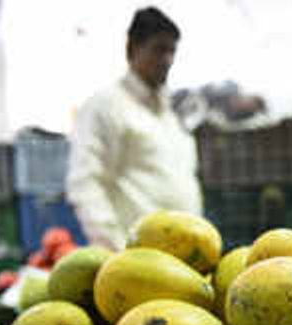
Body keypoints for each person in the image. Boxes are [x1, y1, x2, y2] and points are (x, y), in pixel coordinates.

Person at [67, 7, 203, 250]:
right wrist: (115, 250)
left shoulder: (169, 113)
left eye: (172, 51)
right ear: (132, 49)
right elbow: (85, 183)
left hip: (182, 257)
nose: (167, 60)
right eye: (159, 49)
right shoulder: (106, 107)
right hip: (137, 262)